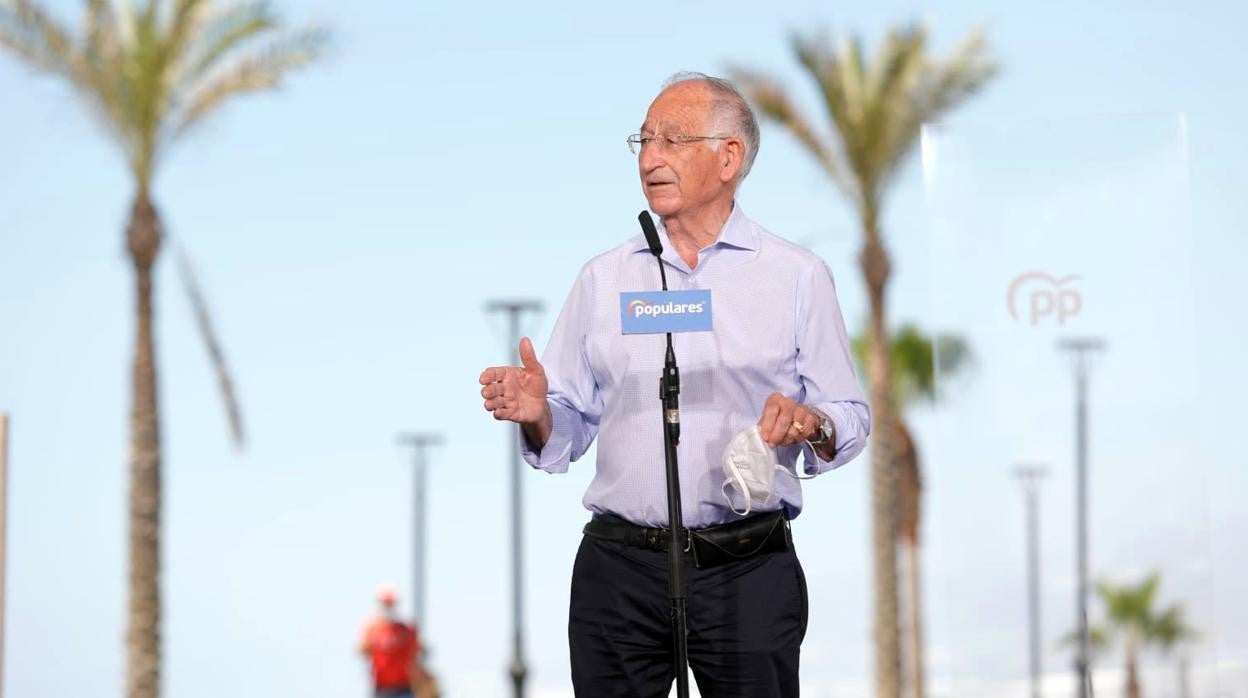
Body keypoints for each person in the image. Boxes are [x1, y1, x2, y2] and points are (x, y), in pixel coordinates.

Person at [478, 72, 871, 697]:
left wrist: (811, 423)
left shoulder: (797, 276)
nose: (651, 157)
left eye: (672, 139)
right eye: (643, 140)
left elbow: (848, 415)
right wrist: (539, 414)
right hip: (620, 572)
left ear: (729, 158)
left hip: (745, 566)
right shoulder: (604, 279)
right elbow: (568, 420)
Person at [359, 584, 421, 698]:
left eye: (391, 604)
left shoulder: (406, 630)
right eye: (386, 604)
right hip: (381, 688)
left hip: (404, 686)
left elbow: (416, 653)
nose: (388, 607)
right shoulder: (372, 628)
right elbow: (362, 651)